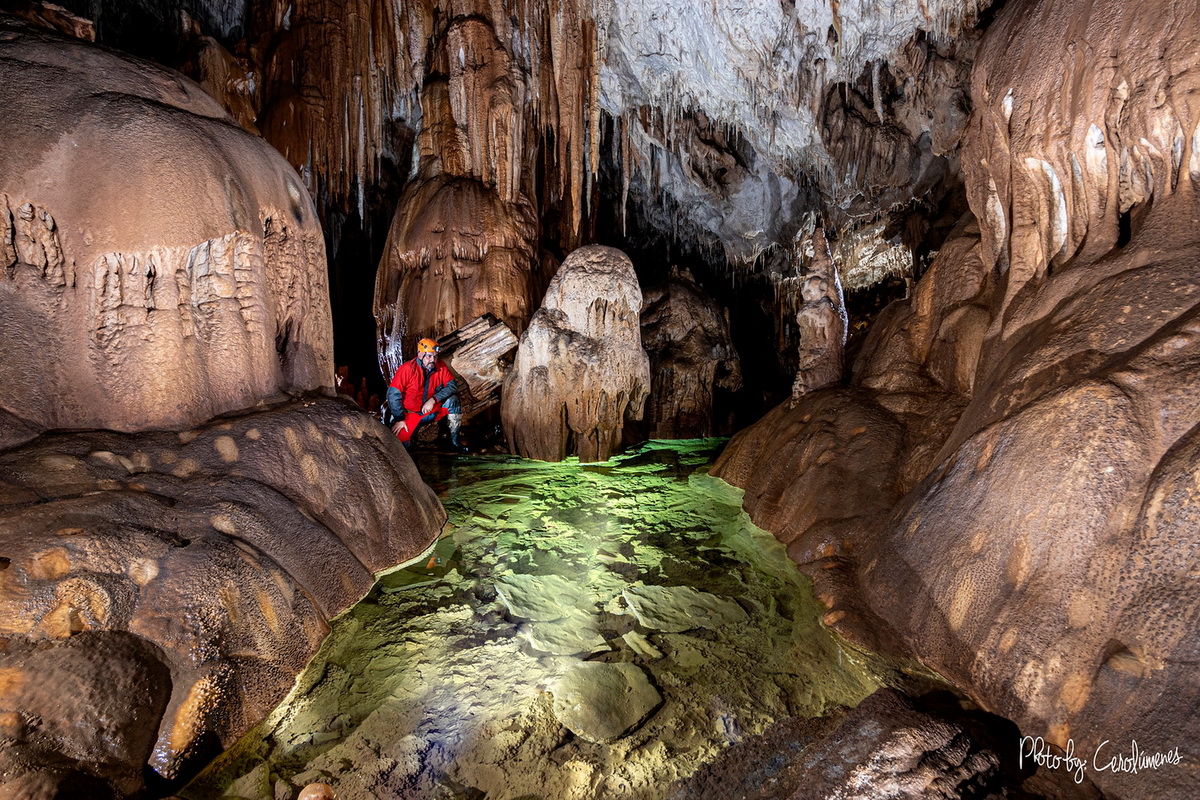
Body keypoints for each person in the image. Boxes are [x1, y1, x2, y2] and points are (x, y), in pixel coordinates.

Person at [386, 338, 465, 451]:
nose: (433, 360)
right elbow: (393, 394)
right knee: (399, 447)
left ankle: (454, 441)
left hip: (431, 410)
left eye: (435, 356)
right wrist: (399, 418)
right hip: (410, 414)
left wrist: (433, 399)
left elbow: (452, 386)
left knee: (453, 401)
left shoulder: (440, 366)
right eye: (429, 356)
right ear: (420, 355)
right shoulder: (407, 369)